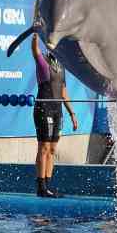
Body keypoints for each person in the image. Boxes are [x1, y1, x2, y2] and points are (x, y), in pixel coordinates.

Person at [32, 35, 77, 197]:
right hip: (43, 109)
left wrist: (72, 113)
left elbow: (64, 93)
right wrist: (36, 34)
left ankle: (48, 186)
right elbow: (35, 50)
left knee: (52, 149)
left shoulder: (61, 67)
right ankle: (41, 186)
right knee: (43, 148)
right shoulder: (43, 62)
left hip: (57, 111)